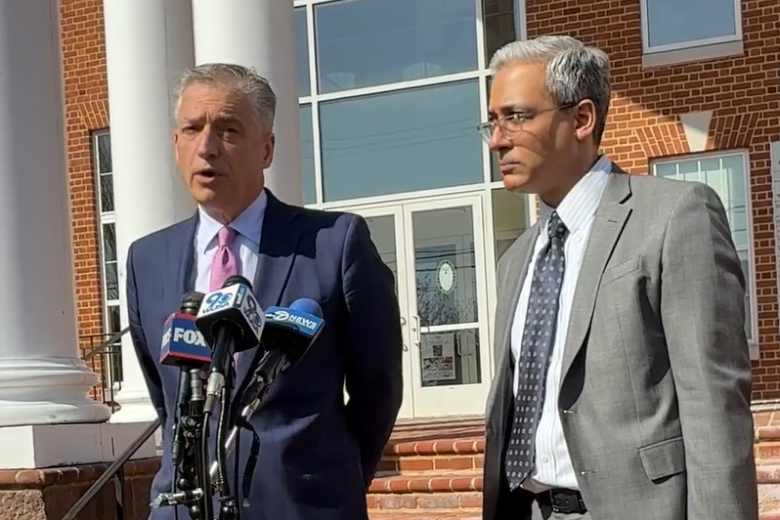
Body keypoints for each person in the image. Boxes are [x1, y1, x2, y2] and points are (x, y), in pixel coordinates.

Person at [480, 35, 758, 520]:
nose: (499, 139)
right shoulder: (517, 258)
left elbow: (714, 407)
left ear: (582, 119)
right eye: (493, 122)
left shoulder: (674, 217)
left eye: (517, 116)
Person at [125, 63, 403, 520]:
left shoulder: (334, 244)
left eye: (229, 130)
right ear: (176, 144)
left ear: (267, 147)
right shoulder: (146, 259)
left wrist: (331, 480)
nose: (207, 147)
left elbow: (379, 390)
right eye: (192, 129)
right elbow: (167, 398)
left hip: (304, 506)